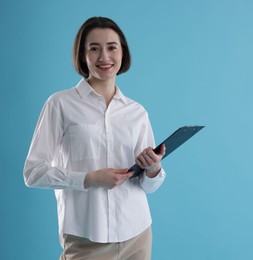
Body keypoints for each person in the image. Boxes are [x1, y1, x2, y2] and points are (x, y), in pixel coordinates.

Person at [23, 16, 166, 260]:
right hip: (86, 236)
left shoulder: (137, 112)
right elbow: (33, 173)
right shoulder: (59, 104)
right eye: (94, 49)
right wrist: (89, 179)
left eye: (112, 47)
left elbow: (148, 186)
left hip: (138, 233)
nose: (104, 57)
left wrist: (153, 169)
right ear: (82, 55)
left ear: (123, 52)